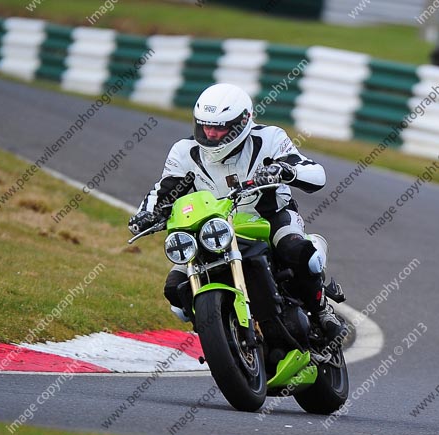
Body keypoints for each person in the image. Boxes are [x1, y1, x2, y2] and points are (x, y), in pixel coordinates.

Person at [128, 83, 344, 341]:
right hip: (213, 229)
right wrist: (145, 214)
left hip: (269, 217)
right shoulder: (184, 152)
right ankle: (221, 336)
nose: (210, 134)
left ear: (243, 122)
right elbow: (163, 190)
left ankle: (321, 311)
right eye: (205, 126)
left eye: (219, 128)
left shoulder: (270, 138)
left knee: (298, 253)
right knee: (175, 290)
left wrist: (286, 171)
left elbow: (315, 173)